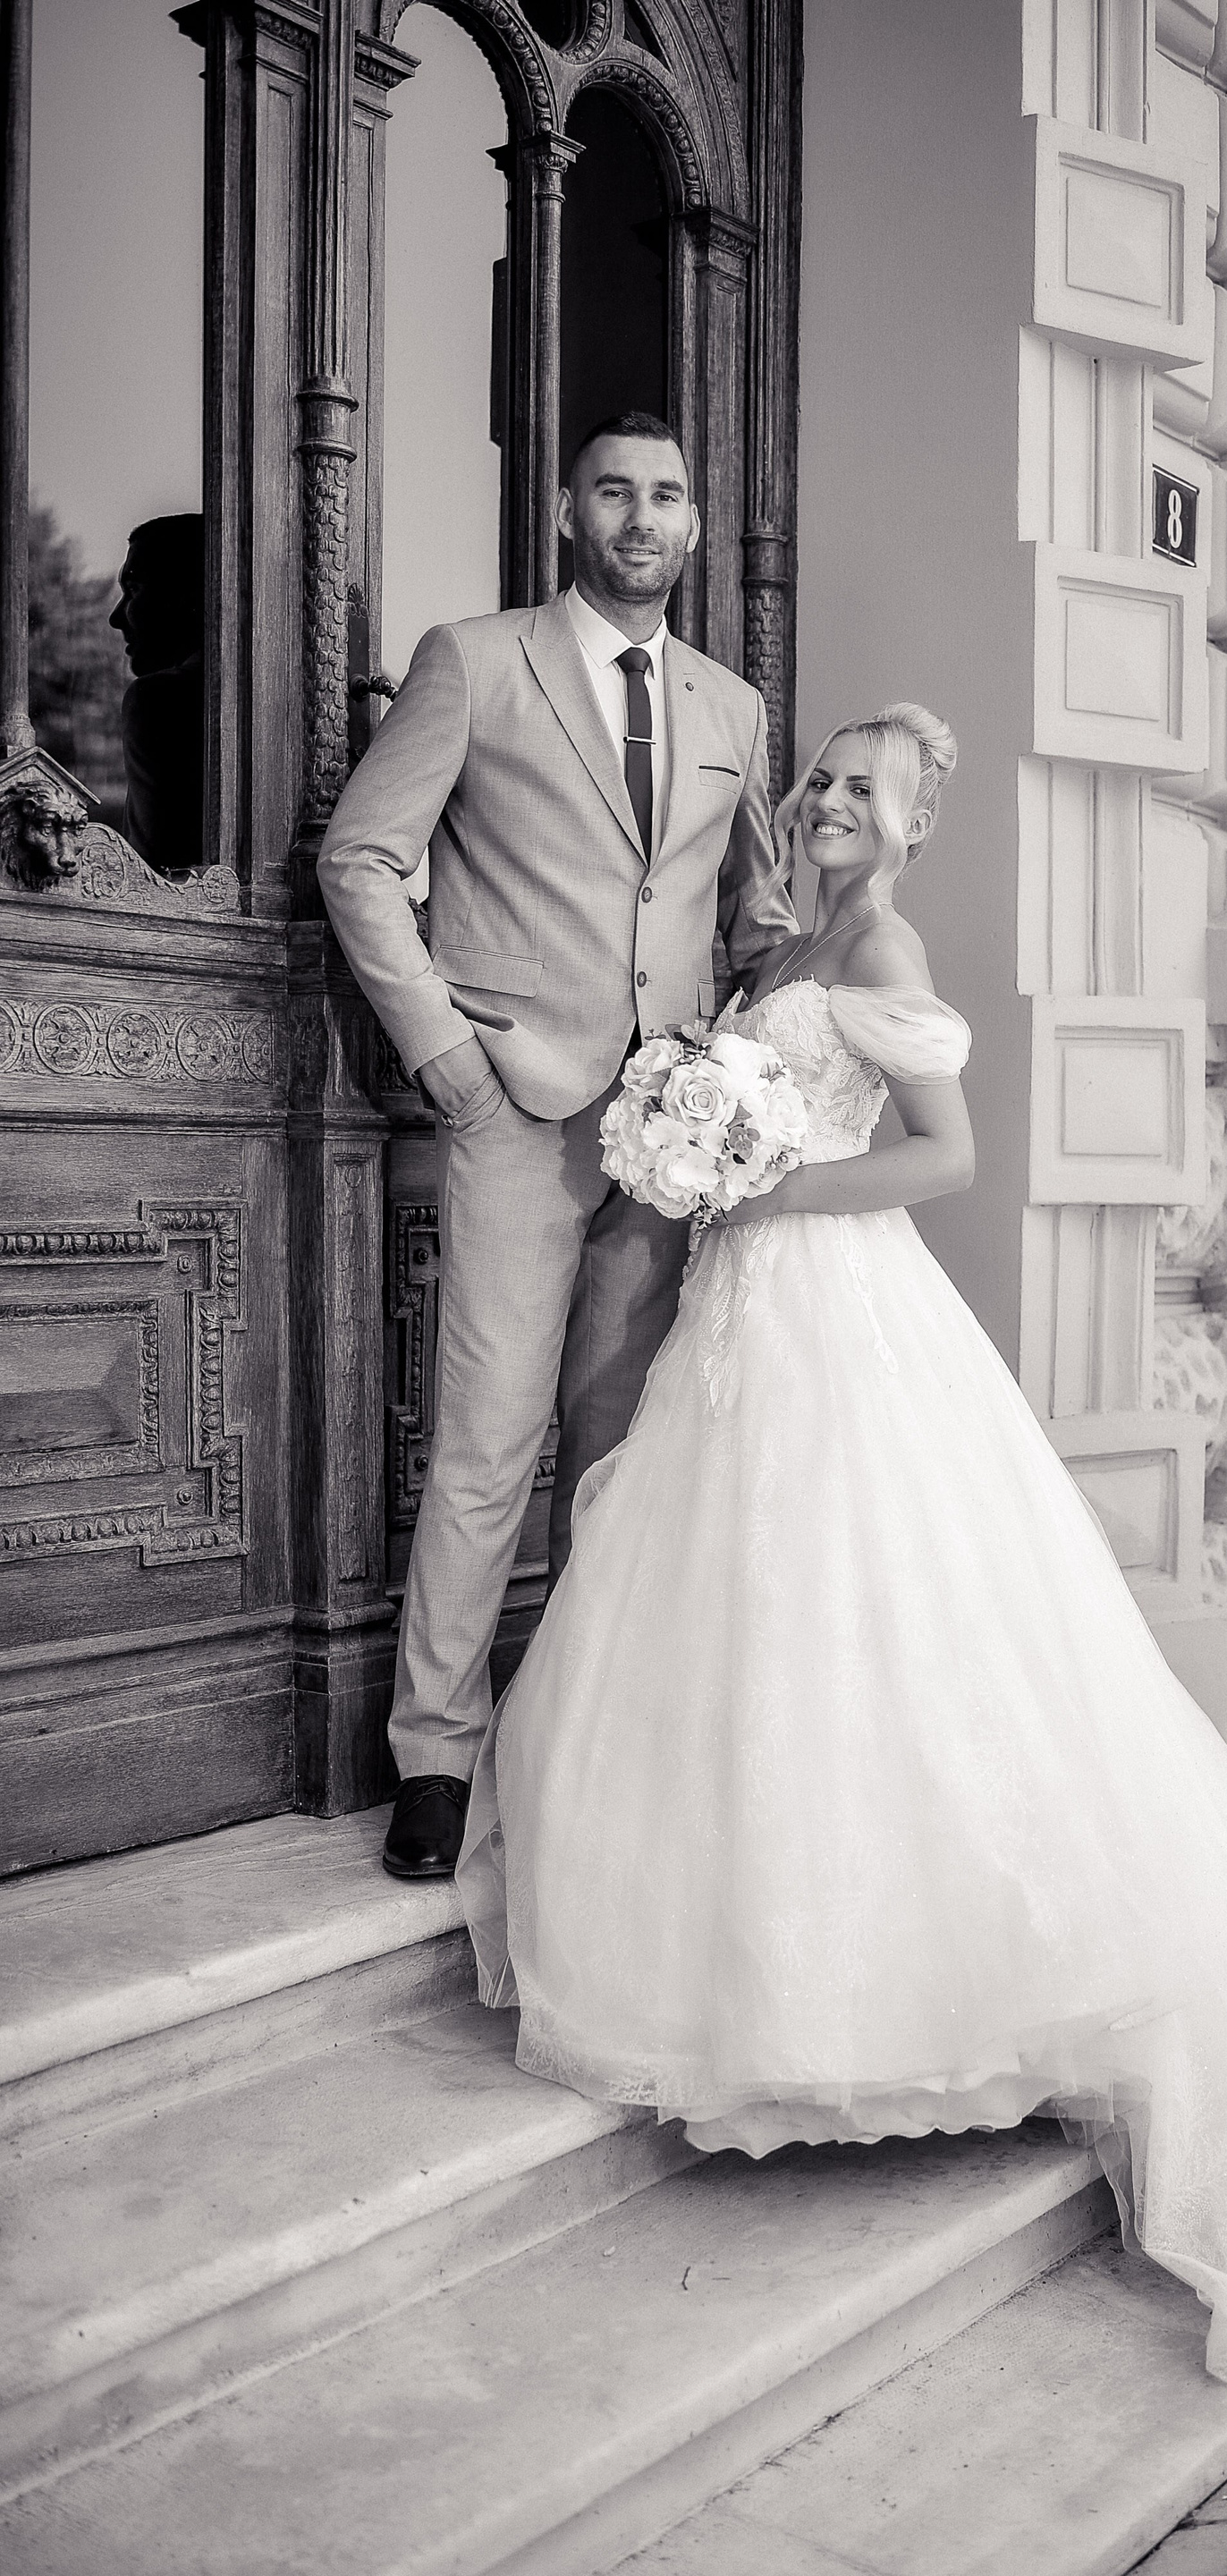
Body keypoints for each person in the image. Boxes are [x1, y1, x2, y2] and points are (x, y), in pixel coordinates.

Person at [456, 701, 1227, 2413]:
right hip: (745, 1316)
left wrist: (764, 1183)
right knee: (745, 1622)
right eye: (824, 778)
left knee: (864, 1618)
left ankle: (891, 1997)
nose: (834, 800)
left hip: (838, 1310)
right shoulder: (785, 944)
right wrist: (704, 1148)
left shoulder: (882, 947)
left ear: (917, 826)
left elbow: (946, 1152)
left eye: (868, 789)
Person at [317, 411, 796, 1880]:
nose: (644, 517)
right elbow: (362, 858)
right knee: (487, 1438)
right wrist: (448, 1062)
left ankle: (593, 1736)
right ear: (571, 513)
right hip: (516, 1111)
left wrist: (748, 1068)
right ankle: (436, 1756)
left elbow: (749, 912)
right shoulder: (477, 662)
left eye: (668, 495)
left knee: (622, 1445)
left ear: (693, 524)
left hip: (673, 1141)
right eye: (615, 492)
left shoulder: (733, 710)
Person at [109, 513, 204, 872]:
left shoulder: (158, 700)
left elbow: (150, 872)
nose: (116, 617)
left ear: (187, 595)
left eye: (134, 589)